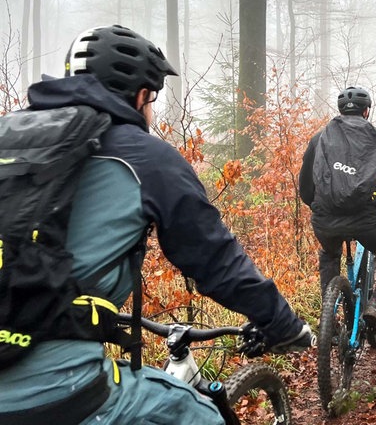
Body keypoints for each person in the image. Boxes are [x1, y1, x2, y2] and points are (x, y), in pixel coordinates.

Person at [0, 25, 312, 424]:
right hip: (60, 387)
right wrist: (282, 324)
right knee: (205, 416)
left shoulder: (12, 136)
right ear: (141, 95)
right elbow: (216, 261)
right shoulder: (144, 156)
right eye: (153, 99)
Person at [299, 86, 376, 334]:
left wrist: (319, 205)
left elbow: (306, 188)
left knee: (329, 254)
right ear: (366, 111)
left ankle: (329, 316)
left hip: (325, 220)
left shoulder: (319, 139)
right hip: (366, 221)